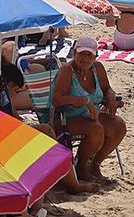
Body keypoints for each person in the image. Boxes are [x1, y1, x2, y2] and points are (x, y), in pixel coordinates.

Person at [52, 37, 125, 185]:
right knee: (96, 129)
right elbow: (56, 99)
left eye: (89, 55)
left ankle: (95, 165)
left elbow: (107, 89)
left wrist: (111, 98)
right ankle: (81, 167)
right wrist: (82, 101)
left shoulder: (97, 68)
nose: (85, 58)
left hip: (91, 115)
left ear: (95, 56)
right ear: (74, 53)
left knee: (118, 125)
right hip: (66, 117)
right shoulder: (67, 70)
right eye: (81, 54)